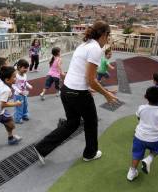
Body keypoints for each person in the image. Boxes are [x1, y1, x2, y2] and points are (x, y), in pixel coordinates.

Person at [34, 21, 118, 165]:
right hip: (78, 93)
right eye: (108, 35)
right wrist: (106, 94)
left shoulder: (84, 45)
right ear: (103, 34)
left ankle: (42, 148)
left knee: (72, 123)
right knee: (91, 123)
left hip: (66, 90)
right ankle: (90, 154)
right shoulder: (95, 49)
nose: (108, 39)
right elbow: (91, 80)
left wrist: (89, 88)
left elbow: (80, 73)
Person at [126, 86, 158, 181]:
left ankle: (131, 173)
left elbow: (139, 118)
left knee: (136, 154)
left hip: (139, 136)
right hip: (153, 139)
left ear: (145, 96)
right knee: (157, 150)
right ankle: (149, 159)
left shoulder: (141, 108)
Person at [13, 59, 33, 124]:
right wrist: (19, 91)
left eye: (27, 68)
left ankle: (24, 115)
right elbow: (13, 85)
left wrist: (29, 86)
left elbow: (25, 82)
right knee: (19, 106)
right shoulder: (16, 76)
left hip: (24, 93)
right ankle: (18, 118)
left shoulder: (24, 75)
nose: (26, 70)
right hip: (18, 95)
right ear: (19, 67)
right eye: (24, 68)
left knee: (25, 105)